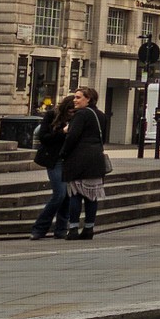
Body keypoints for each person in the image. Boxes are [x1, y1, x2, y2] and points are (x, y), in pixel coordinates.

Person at [59, 86, 108, 239]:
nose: (75, 100)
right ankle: (89, 228)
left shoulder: (81, 115)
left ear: (88, 99)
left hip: (79, 158)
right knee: (91, 195)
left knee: (76, 194)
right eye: (75, 97)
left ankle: (73, 229)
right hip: (95, 158)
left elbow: (72, 136)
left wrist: (63, 153)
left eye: (78, 97)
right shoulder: (101, 115)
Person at [29, 94, 76, 240]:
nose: (71, 114)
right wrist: (63, 132)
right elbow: (44, 137)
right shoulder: (51, 116)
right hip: (55, 160)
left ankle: (61, 228)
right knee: (60, 194)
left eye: (74, 112)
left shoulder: (79, 118)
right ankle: (40, 227)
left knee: (68, 196)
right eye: (70, 111)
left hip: (70, 160)